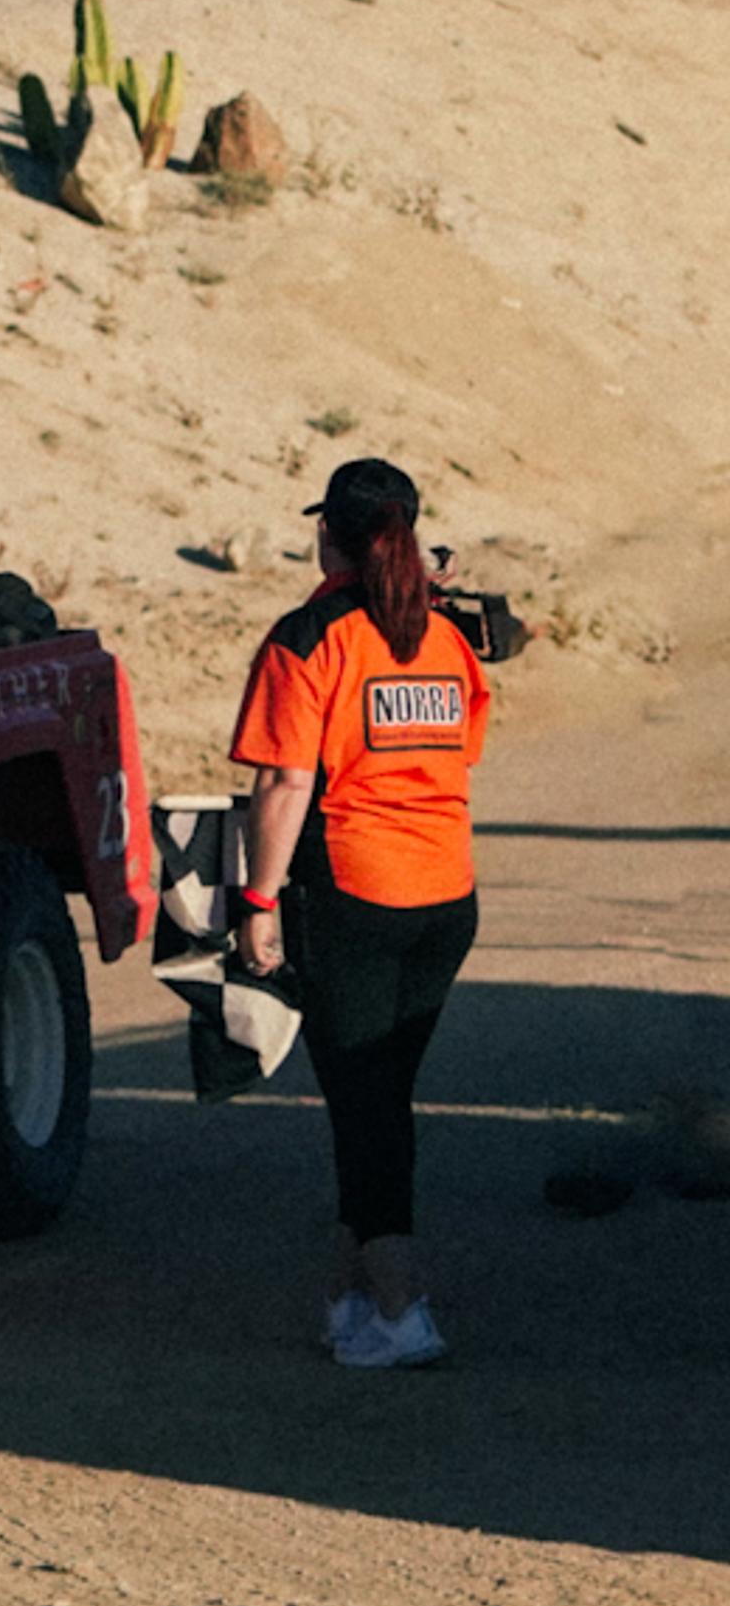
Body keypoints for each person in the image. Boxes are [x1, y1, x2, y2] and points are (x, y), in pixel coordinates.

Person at [230, 456, 490, 1370]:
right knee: (379, 1100)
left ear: (327, 535)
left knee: (365, 1108)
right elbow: (467, 747)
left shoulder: (311, 637)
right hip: (445, 900)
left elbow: (285, 780)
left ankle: (402, 1304)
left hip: (356, 899)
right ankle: (350, 1298)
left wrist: (257, 902)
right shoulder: (447, 639)